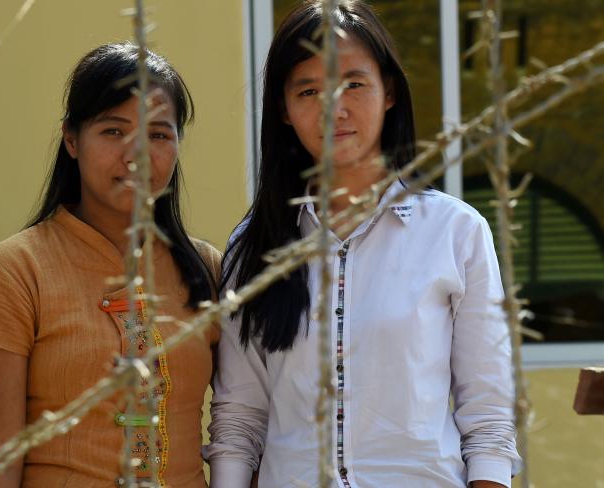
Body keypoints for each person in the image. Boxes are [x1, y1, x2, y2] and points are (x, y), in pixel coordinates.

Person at [205, 1, 521, 487]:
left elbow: (490, 418)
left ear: (389, 91)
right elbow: (239, 418)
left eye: (353, 83)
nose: (334, 107)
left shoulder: (456, 232)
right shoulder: (254, 246)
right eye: (308, 90)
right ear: (285, 111)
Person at [0, 42, 220, 487]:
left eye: (159, 134)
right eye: (114, 131)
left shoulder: (208, 269)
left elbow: (246, 424)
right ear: (71, 139)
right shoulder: (11, 273)